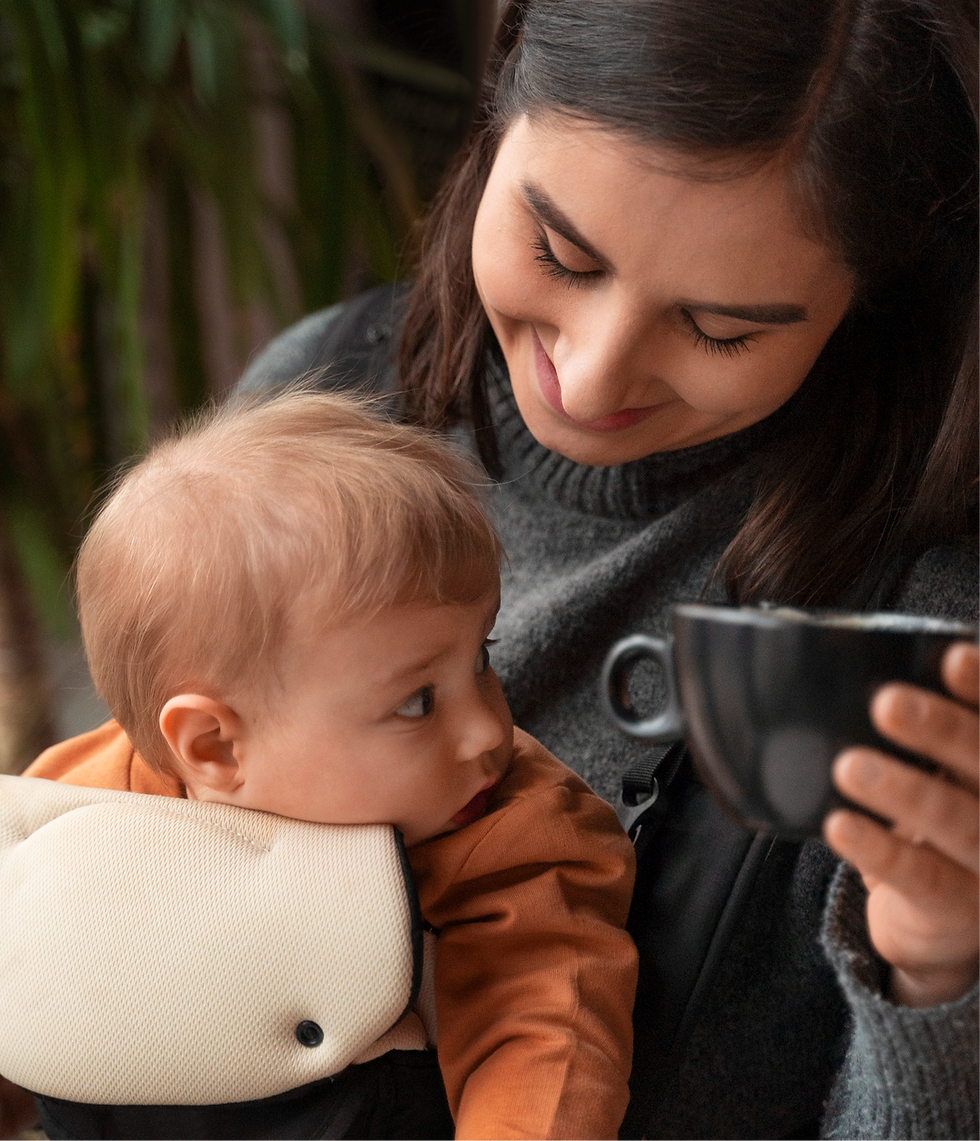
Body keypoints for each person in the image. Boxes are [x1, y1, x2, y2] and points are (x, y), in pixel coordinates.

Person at [8, 0, 980, 1136]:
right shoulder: (319, 383)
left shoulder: (914, 630)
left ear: (866, 297)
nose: (591, 370)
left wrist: (936, 970)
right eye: (558, 252)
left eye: (719, 329)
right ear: (495, 111)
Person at [9, 391, 637, 1141]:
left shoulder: (512, 841)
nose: (486, 731)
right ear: (213, 746)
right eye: (417, 702)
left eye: (481, 657)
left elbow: (545, 1040)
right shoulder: (86, 805)